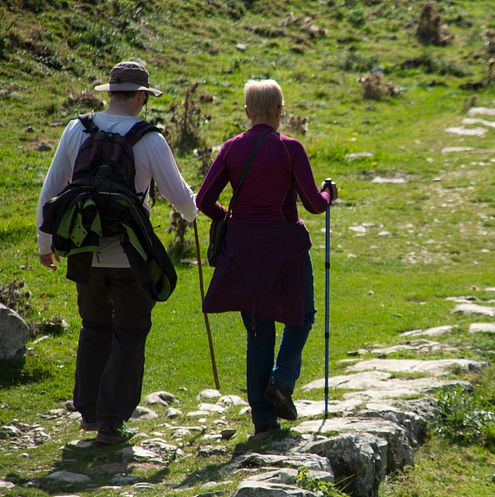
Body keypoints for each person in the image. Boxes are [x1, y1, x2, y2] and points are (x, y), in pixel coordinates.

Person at [36, 61, 198, 444]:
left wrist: (46, 245)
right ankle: (112, 422)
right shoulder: (149, 139)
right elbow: (183, 202)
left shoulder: (78, 129)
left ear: (109, 93)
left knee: (94, 328)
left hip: (83, 250)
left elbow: (52, 189)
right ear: (142, 96)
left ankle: (89, 413)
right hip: (130, 254)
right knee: (129, 333)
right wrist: (194, 210)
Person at [196, 79, 337, 434]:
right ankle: (282, 379)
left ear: (247, 112)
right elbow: (313, 205)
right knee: (302, 315)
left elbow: (203, 201)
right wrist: (328, 193)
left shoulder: (231, 149)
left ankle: (262, 419)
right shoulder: (291, 149)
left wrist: (228, 216)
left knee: (258, 330)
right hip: (286, 247)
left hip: (243, 248)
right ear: (279, 111)